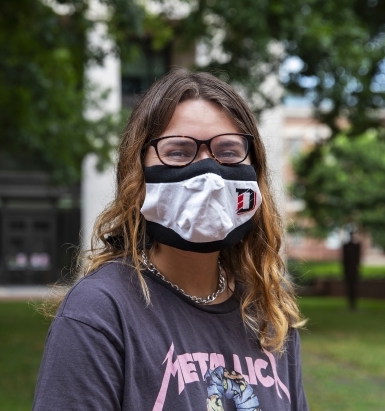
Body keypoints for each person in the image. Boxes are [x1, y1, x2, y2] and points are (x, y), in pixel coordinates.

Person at [33, 69, 308, 411]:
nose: (209, 173)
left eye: (228, 151)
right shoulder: (100, 310)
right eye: (179, 152)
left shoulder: (269, 313)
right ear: (138, 172)